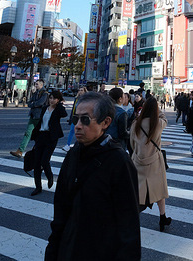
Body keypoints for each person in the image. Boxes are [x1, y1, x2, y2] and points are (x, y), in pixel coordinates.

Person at [45, 92, 140, 260]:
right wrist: (52, 251)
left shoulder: (119, 161)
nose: (78, 126)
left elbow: (129, 224)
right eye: (76, 119)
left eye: (86, 120)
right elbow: (60, 210)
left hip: (101, 251)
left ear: (106, 122)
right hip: (69, 248)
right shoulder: (73, 154)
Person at [130, 97, 171, 232]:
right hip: (155, 162)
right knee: (159, 190)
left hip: (138, 161)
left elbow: (132, 143)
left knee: (138, 192)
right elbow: (165, 119)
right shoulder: (158, 123)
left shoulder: (136, 123)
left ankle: (131, 219)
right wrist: (158, 111)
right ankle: (162, 217)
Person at [29, 90, 66, 196]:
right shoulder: (45, 108)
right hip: (41, 136)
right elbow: (41, 121)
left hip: (51, 137)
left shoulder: (59, 110)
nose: (51, 100)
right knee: (37, 163)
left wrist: (58, 105)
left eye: (54, 98)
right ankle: (38, 187)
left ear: (58, 100)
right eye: (50, 98)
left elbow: (64, 114)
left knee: (45, 161)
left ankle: (50, 177)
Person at [11, 82, 48, 158]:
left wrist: (33, 104)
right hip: (33, 115)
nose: (35, 85)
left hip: (39, 116)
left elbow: (40, 103)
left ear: (41, 85)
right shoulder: (35, 93)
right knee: (28, 133)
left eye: (37, 84)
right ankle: (20, 150)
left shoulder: (45, 93)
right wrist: (33, 104)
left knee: (38, 135)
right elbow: (29, 102)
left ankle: (37, 151)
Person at [63, 87, 86, 151]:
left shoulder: (85, 99)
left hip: (81, 117)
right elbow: (73, 109)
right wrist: (71, 118)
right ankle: (68, 144)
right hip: (75, 116)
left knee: (81, 131)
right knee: (72, 130)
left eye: (82, 90)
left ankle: (79, 144)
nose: (80, 91)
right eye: (79, 90)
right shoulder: (76, 98)